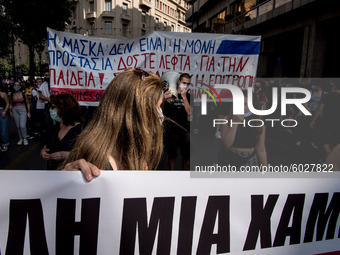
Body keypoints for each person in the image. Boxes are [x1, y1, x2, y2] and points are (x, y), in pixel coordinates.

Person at [61, 68, 164, 180]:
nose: (160, 115)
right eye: (157, 108)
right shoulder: (98, 165)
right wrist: (65, 181)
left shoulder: (134, 151)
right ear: (136, 116)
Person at [218, 92, 267, 167]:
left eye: (245, 104)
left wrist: (265, 168)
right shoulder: (227, 119)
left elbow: (260, 148)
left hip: (250, 159)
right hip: (231, 159)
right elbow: (226, 144)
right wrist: (235, 122)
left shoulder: (257, 122)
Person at [40, 93, 84, 170]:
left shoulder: (80, 130)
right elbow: (46, 145)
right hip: (52, 172)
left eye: (53, 107)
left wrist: (66, 155)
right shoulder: (53, 128)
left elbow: (86, 154)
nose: (51, 109)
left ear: (64, 109)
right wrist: (43, 152)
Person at [162, 73, 191, 170]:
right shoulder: (170, 94)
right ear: (178, 82)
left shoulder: (189, 96)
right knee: (172, 156)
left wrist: (185, 98)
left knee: (186, 157)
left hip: (184, 129)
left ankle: (186, 175)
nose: (185, 85)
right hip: (172, 131)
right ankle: (172, 176)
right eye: (184, 83)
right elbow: (160, 110)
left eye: (187, 84)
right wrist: (164, 100)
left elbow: (189, 112)